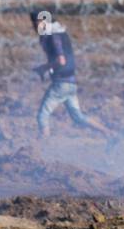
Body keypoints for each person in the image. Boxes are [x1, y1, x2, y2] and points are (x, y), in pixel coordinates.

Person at [32, 9, 111, 137]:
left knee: (42, 116)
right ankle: (109, 133)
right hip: (71, 83)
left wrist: (44, 67)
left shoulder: (53, 36)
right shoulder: (59, 33)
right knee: (78, 117)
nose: (35, 27)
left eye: (37, 23)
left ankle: (41, 151)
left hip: (61, 84)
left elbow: (61, 60)